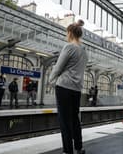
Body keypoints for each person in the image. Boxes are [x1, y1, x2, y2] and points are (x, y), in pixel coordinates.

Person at [49, 21, 87, 154]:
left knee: (64, 121)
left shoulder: (69, 47)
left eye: (67, 33)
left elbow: (58, 67)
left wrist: (52, 81)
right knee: (75, 119)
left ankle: (67, 150)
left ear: (70, 33)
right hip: (76, 89)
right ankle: (79, 147)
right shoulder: (84, 50)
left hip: (64, 87)